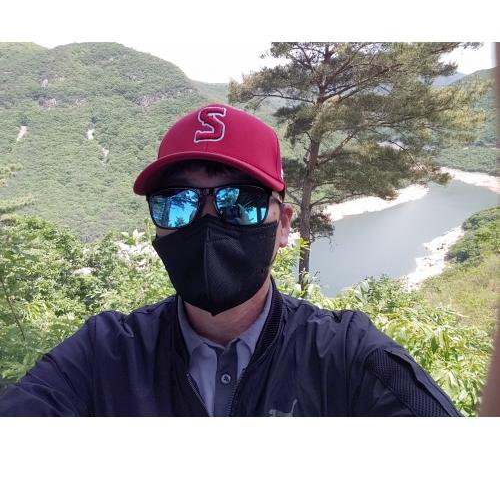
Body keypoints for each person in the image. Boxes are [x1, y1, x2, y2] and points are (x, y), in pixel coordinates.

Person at [0, 104, 461, 416]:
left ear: (283, 226)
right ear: (157, 223)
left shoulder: (347, 357)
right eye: (177, 202)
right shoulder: (104, 353)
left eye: (240, 201)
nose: (206, 222)